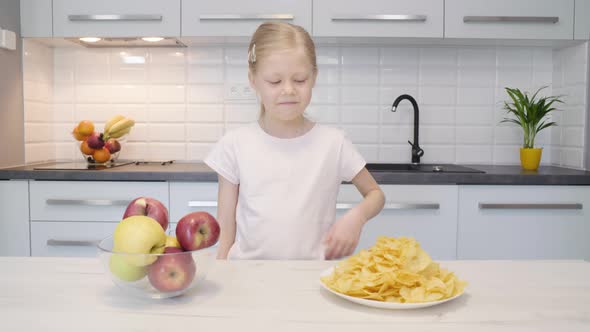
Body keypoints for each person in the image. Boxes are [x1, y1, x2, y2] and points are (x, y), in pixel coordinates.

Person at [204, 22, 385, 260]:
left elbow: (376, 195)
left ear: (314, 77)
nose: (288, 90)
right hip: (248, 279)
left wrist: (357, 217)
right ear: (253, 80)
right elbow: (225, 233)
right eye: (274, 81)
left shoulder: (333, 143)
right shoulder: (234, 145)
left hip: (312, 280)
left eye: (299, 80)